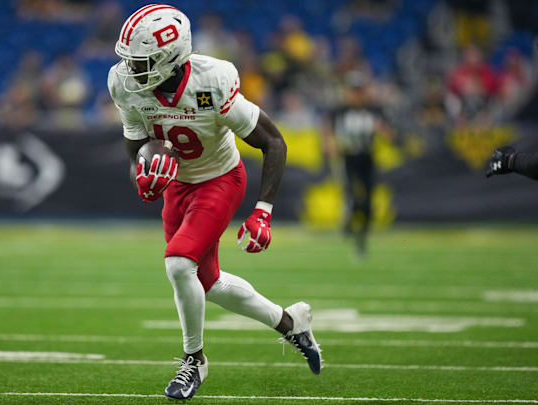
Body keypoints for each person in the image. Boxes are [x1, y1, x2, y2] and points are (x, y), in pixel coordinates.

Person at [107, 5, 322, 400]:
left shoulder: (212, 80)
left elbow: (273, 141)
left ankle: (195, 361)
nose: (131, 71)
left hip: (220, 178)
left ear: (169, 58)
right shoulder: (124, 84)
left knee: (177, 262)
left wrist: (263, 211)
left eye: (142, 63)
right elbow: (136, 139)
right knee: (207, 283)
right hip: (179, 185)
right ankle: (291, 322)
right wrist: (143, 167)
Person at [323, 71, 392, 257]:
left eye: (359, 91)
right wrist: (330, 144)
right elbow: (328, 131)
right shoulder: (340, 111)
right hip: (348, 159)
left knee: (367, 200)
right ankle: (350, 225)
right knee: (353, 196)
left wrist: (381, 130)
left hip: (367, 159)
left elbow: (390, 135)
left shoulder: (374, 110)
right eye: (353, 91)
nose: (356, 95)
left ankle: (362, 236)